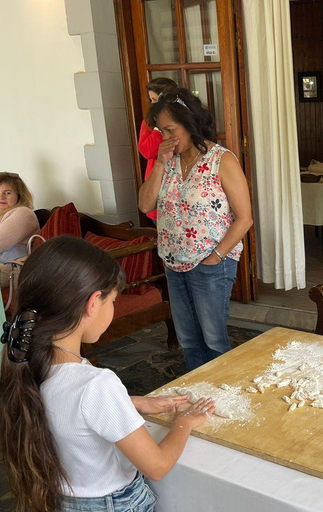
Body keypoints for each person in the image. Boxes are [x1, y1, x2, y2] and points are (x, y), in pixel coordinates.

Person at [0, 236, 215, 512]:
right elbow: (158, 466)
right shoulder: (97, 384)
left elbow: (68, 412)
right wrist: (184, 422)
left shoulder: (27, 361)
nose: (112, 307)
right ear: (93, 303)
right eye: (113, 300)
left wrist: (130, 402)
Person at [138, 88, 253, 371]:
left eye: (170, 130)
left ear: (189, 123)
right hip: (173, 263)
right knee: (188, 339)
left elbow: (245, 218)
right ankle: (197, 395)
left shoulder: (221, 159)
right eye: (161, 131)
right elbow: (144, 205)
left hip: (210, 263)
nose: (164, 138)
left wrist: (216, 256)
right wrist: (160, 163)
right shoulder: (167, 162)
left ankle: (221, 398)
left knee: (214, 339)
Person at [138, 77, 178, 223]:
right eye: (151, 100)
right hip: (157, 181)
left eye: (156, 100)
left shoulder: (180, 121)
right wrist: (158, 128)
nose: (153, 104)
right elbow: (146, 151)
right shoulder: (149, 122)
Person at [0, 172, 39, 278]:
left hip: (9, 267)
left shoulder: (23, 213)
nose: (0, 197)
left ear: (19, 195)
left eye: (7, 193)